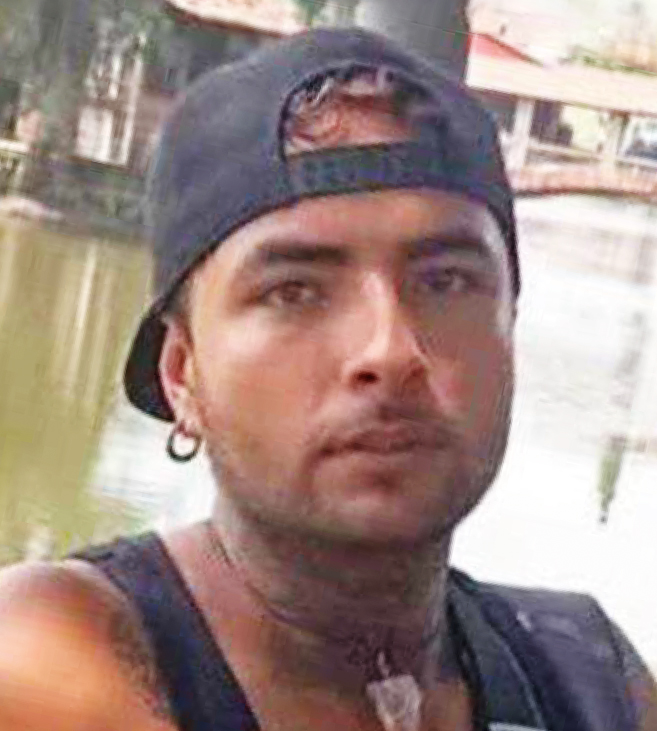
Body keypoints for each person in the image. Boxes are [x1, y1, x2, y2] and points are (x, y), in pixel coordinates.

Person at [0, 28, 655, 731]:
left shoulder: (587, 681)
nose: (391, 349)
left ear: (510, 334)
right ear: (183, 374)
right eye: (294, 292)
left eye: (445, 281)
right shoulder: (56, 654)